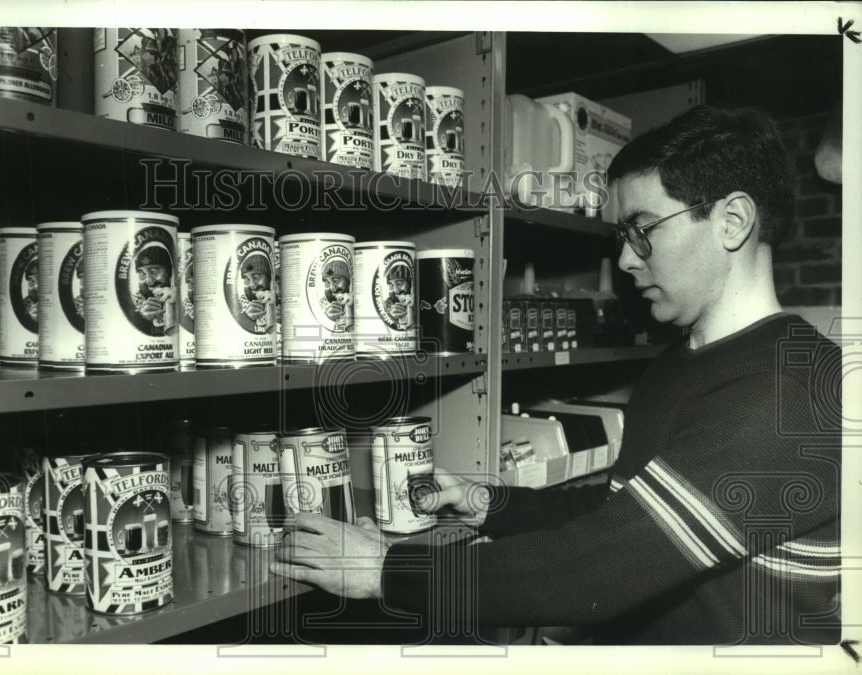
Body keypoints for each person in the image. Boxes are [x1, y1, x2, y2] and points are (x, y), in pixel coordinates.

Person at [271, 106, 842, 645]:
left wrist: (385, 569)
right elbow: (625, 512)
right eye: (622, 236)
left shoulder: (792, 391)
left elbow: (598, 570)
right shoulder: (683, 360)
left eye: (643, 228)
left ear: (732, 222)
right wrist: (489, 502)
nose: (626, 259)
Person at [132, 242, 176, 336]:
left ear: (169, 272)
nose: (149, 281)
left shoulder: (179, 297)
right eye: (142, 274)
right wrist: (142, 319)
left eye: (153, 272)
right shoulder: (133, 304)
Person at [239, 254, 274, 333]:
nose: (252, 285)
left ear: (269, 278)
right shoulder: (241, 306)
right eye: (246, 279)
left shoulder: (276, 299)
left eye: (256, 277)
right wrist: (247, 320)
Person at [320, 258, 353, 331]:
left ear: (348, 282)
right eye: (327, 282)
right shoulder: (322, 306)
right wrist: (327, 319)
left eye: (336, 281)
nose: (333, 289)